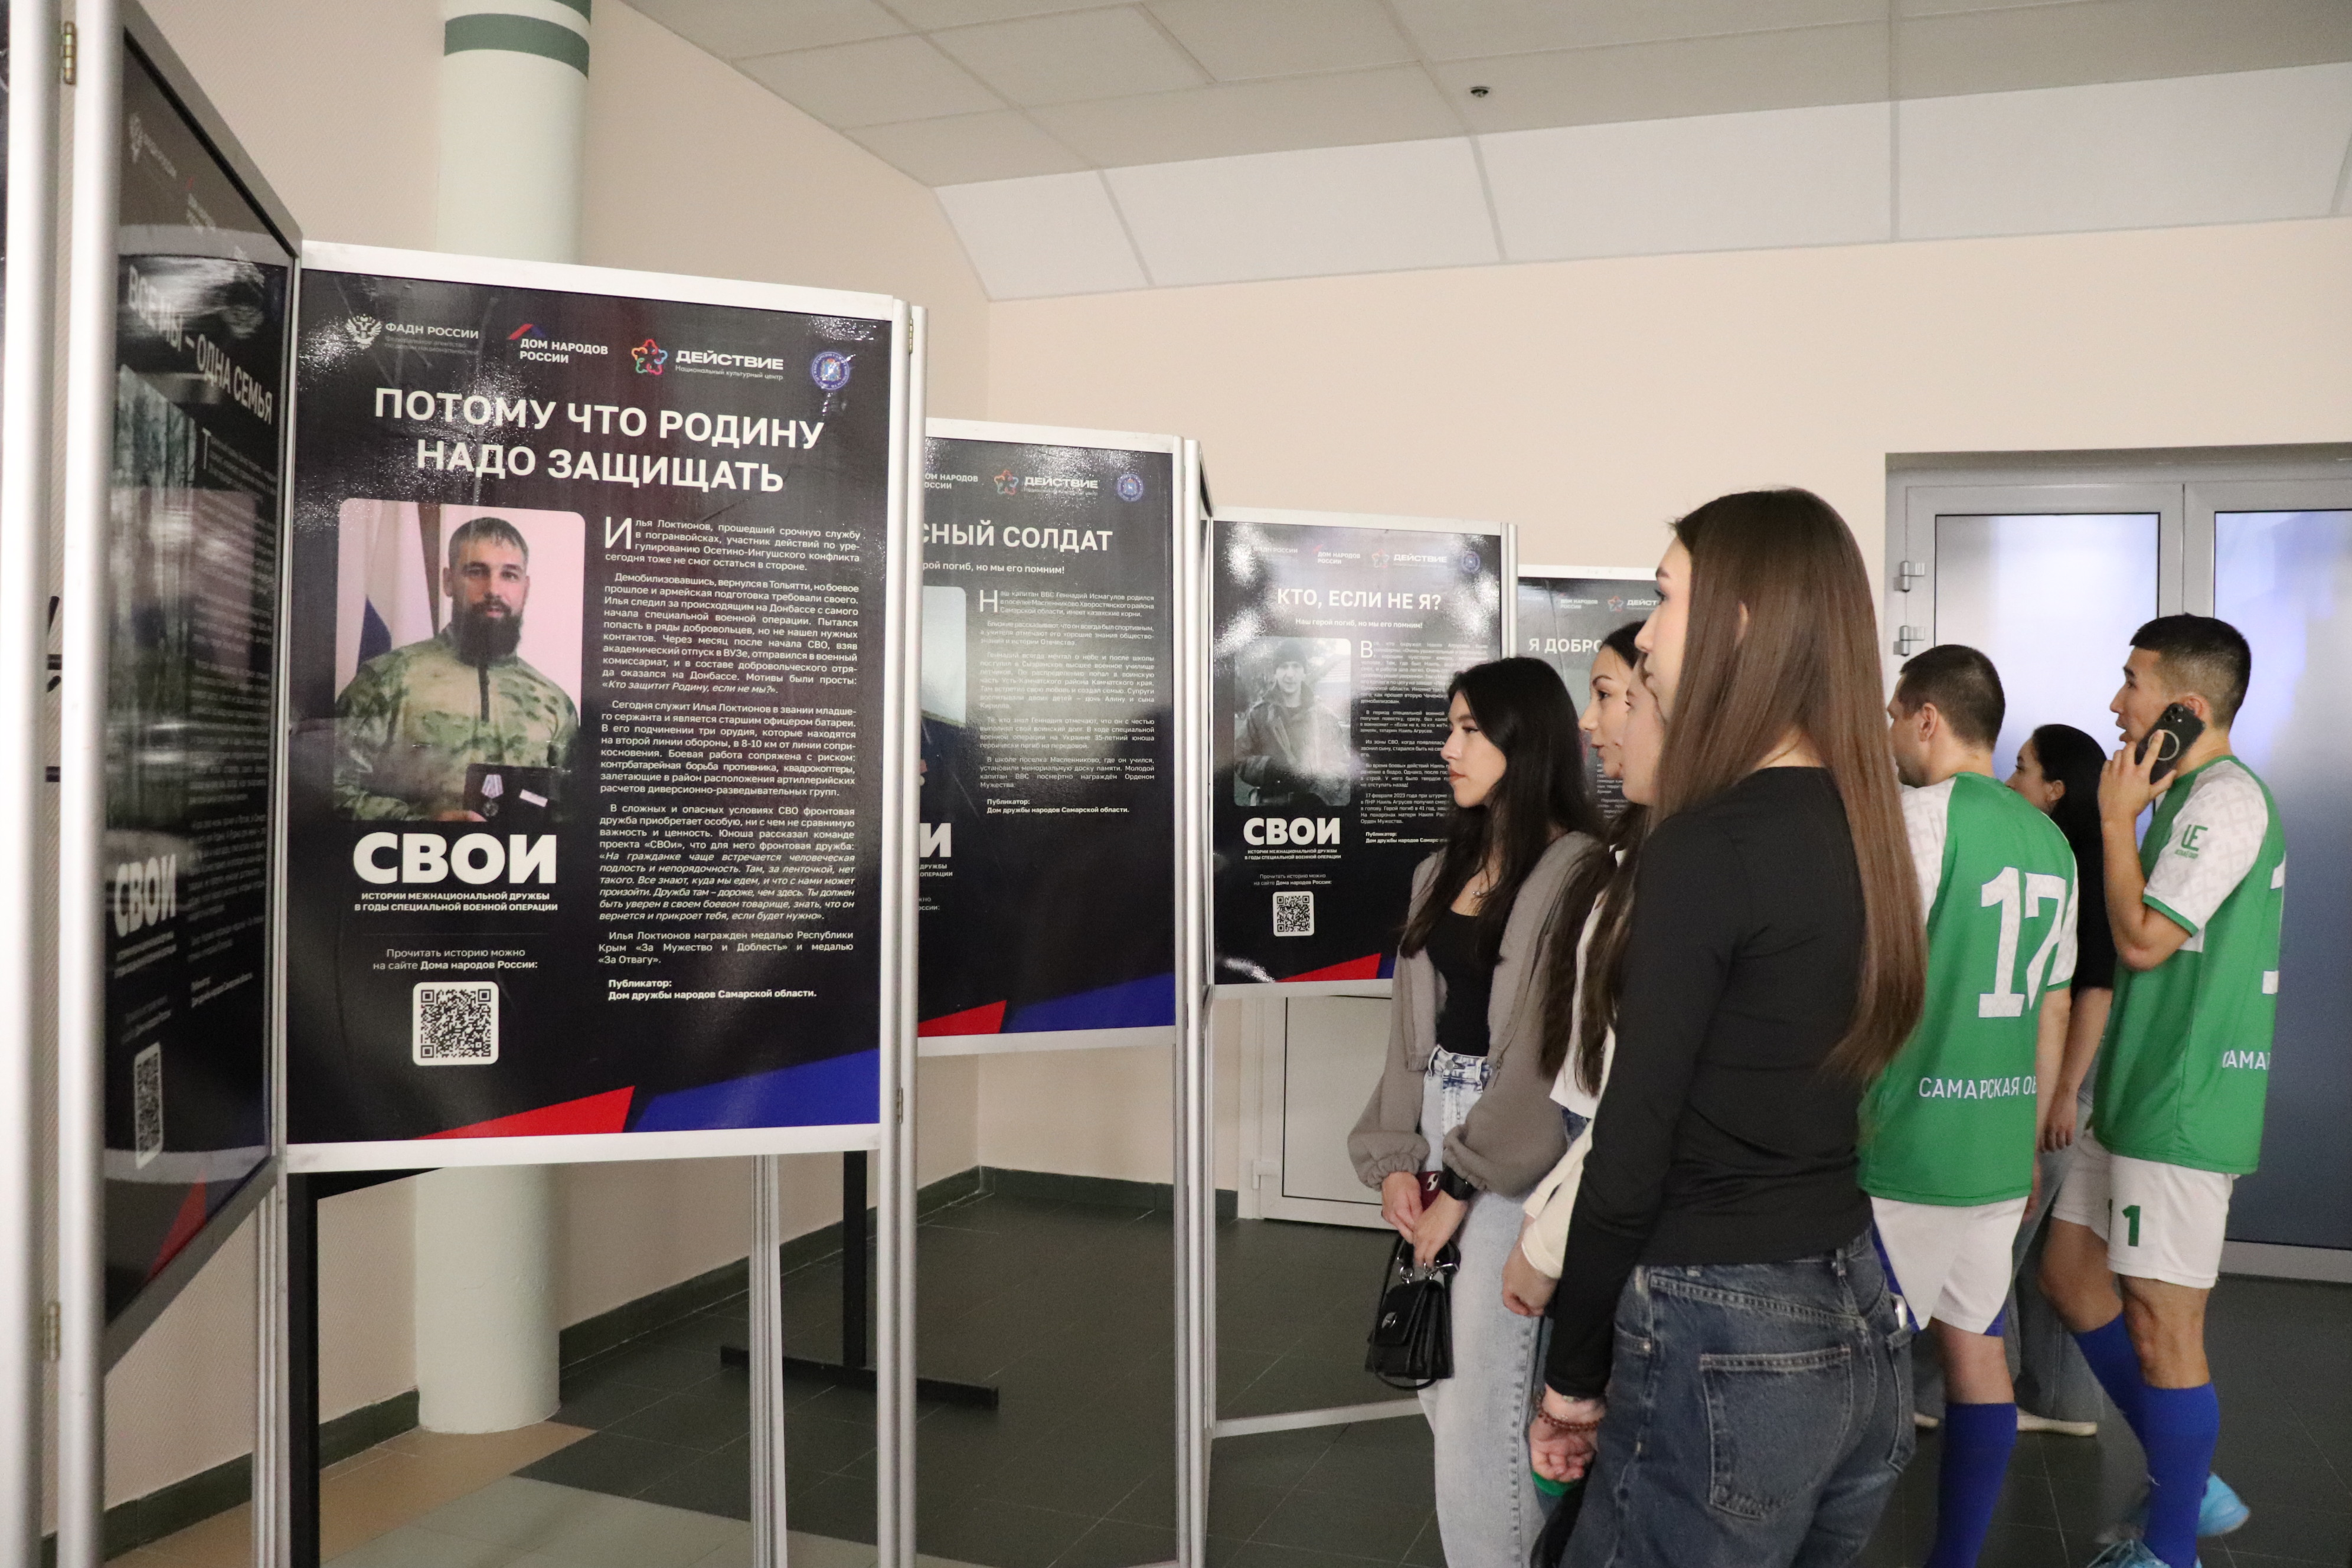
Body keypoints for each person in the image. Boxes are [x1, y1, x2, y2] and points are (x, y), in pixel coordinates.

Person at [1529, 489, 1923, 1568]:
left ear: (1740, 622)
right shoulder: (1862, 824)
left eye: (1663, 599)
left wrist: (1572, 1374)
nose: (1648, 638)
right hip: (1854, 1308)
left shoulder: (1706, 846)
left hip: (1725, 1326)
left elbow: (1632, 1143)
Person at [1349, 656, 1605, 1568]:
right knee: (1439, 1378)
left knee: (1480, 1414)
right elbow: (1408, 1034)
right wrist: (1395, 1158)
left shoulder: (1580, 872)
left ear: (1523, 739)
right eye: (1448, 728)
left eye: (1469, 729)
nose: (1448, 749)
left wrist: (1460, 1184)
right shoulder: (1438, 869)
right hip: (1439, 1128)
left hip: (1514, 1147)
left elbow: (1542, 1054)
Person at [2040, 616, 2280, 1568]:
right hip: (2138, 1090)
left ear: (2183, 707)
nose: (2115, 704)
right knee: (2068, 1275)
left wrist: (2112, 819)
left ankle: (2173, 1544)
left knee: (2164, 1326)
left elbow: (2143, 940)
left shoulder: (2225, 802)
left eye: (2130, 683)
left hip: (2182, 1104)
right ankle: (2192, 1481)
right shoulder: (2183, 799)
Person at [1871, 644, 2077, 1568]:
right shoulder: (2048, 840)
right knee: (1979, 1356)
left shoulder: (1917, 819)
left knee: (1857, 1370)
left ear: (1927, 717)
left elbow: (1875, 977)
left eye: (1893, 715)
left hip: (1906, 1144)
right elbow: (2053, 1003)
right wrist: (2027, 1138)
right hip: (1996, 1148)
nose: (1888, 734)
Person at [1502, 618, 1649, 1319]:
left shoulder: (1678, 862)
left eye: (1607, 695)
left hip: (1609, 1148)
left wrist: (1545, 1241)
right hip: (1582, 1129)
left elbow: (1643, 1092)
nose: (1589, 721)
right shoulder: (1624, 847)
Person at [2001, 723, 2121, 1436]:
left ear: (2054, 789)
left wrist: (2065, 1095)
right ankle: (2063, 1400)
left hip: (2071, 1074)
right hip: (2076, 1076)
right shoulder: (2075, 857)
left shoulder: (2081, 865)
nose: (2009, 780)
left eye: (2022, 768)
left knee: (2004, 1237)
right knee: (2048, 1251)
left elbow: (2093, 990)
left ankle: (1961, 1389)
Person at [335, 516, 577, 820]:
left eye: (509, 575)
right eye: (476, 572)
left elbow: (572, 814)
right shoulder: (386, 679)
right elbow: (331, 793)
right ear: (448, 581)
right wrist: (423, 825)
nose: (493, 589)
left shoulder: (554, 703)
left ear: (525, 588)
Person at [1235, 638, 1351, 807]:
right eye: (1284, 667)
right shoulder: (1258, 715)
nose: (1290, 674)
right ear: (1275, 672)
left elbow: (1342, 763)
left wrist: (1318, 791)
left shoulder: (1324, 716)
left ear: (1304, 672)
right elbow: (1239, 759)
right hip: (1270, 808)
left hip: (1313, 810)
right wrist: (1269, 768)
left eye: (1296, 666)